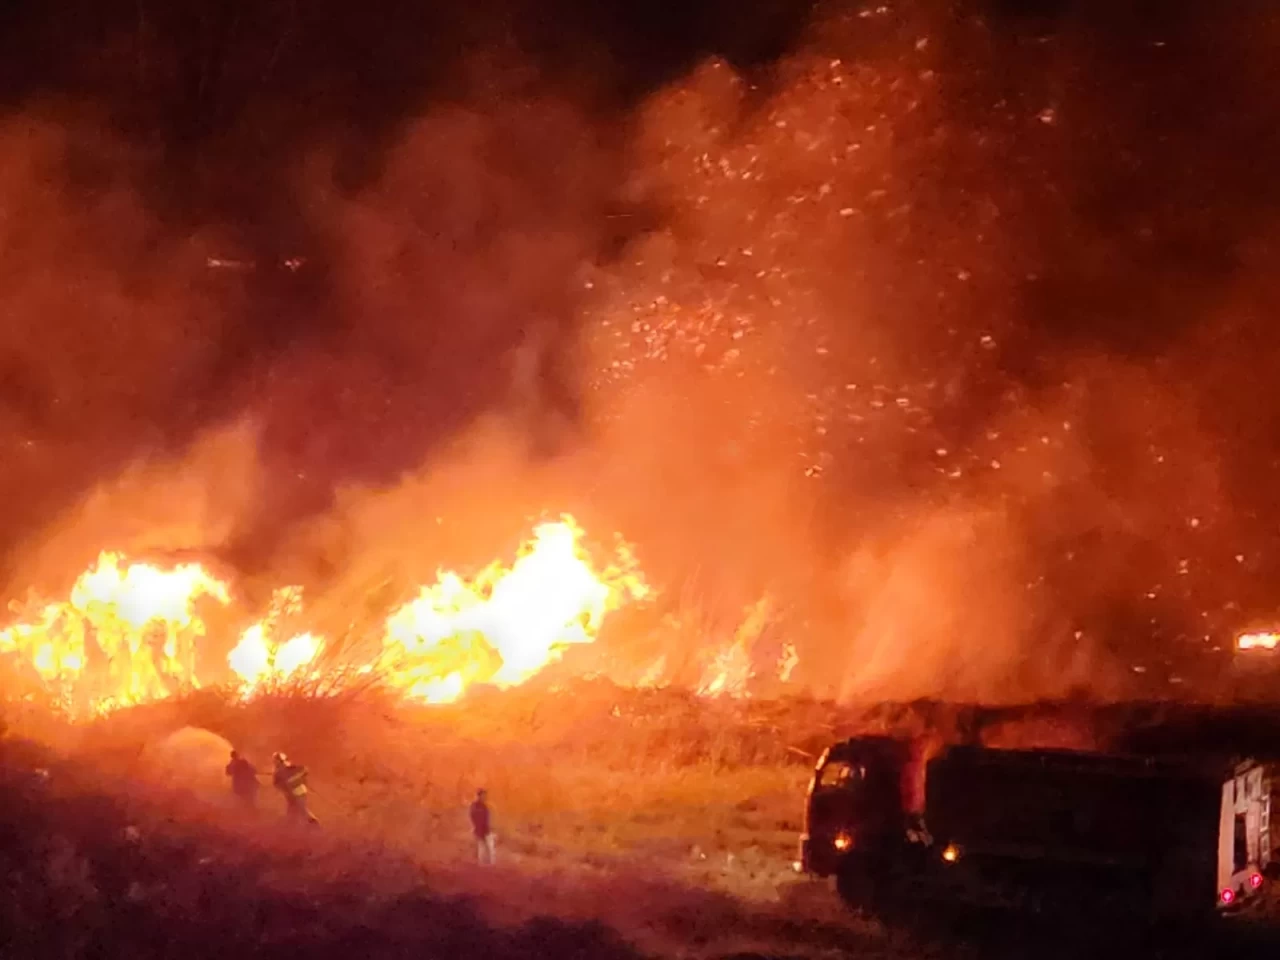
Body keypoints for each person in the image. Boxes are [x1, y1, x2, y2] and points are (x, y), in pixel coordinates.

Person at [272, 751, 320, 825]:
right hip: (290, 793)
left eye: (278, 760)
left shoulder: (291, 767)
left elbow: (304, 770)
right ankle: (293, 824)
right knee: (293, 808)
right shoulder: (278, 772)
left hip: (299, 790)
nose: (277, 762)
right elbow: (276, 784)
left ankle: (313, 822)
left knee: (301, 807)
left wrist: (298, 778)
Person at [470, 788, 495, 864]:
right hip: (480, 829)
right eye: (483, 795)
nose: (484, 797)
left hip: (486, 829)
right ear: (479, 796)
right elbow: (473, 817)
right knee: (482, 848)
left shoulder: (484, 806)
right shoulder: (474, 806)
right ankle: (482, 865)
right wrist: (476, 828)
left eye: (485, 795)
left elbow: (487, 819)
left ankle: (491, 865)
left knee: (490, 847)